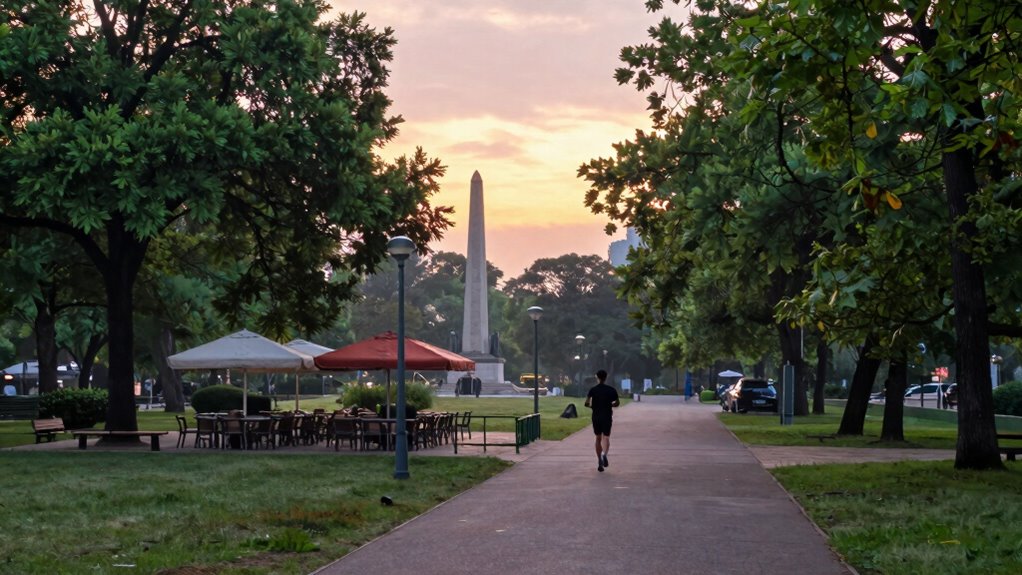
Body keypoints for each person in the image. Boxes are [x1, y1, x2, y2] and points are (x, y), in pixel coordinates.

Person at [584, 369, 620, 472]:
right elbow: (617, 403)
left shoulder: (593, 390)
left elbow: (586, 403)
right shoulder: (611, 390)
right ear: (606, 377)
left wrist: (593, 406)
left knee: (598, 438)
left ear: (597, 377)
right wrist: (610, 405)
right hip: (607, 416)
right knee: (606, 437)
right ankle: (604, 454)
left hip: (596, 416)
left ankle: (599, 459)